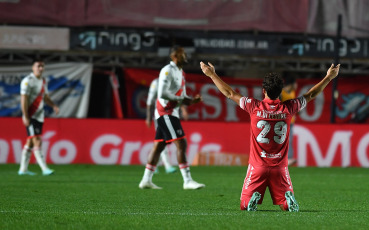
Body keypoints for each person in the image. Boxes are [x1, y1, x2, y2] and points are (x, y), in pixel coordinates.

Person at [200, 61, 340, 211]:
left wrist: (212, 74)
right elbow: (311, 94)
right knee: (285, 205)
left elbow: (230, 93)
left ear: (263, 90)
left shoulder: (254, 106)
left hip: (257, 167)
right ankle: (287, 201)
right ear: (280, 91)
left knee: (244, 205)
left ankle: (250, 203)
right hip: (280, 168)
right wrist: (328, 77)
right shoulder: (289, 108)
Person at [139, 46, 205, 190]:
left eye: (185, 54)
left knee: (158, 146)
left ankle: (146, 180)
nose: (185, 56)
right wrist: (181, 99)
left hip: (172, 112)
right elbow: (162, 93)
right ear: (174, 56)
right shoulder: (167, 70)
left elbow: (181, 96)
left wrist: (191, 100)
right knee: (181, 144)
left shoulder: (181, 73)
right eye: (182, 54)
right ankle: (187, 181)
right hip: (165, 112)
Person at [18, 59, 59, 176]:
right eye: (38, 66)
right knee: (37, 140)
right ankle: (44, 169)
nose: (40, 68)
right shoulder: (27, 81)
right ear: (33, 67)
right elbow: (23, 98)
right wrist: (25, 116)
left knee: (30, 141)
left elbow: (45, 97)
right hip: (31, 115)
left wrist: (53, 105)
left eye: (42, 66)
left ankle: (23, 170)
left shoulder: (43, 81)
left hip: (39, 115)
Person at [146, 77, 177, 174]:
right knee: (163, 139)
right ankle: (167, 166)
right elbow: (149, 101)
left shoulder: (175, 83)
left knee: (162, 141)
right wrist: (148, 117)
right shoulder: (156, 83)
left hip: (170, 114)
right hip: (159, 115)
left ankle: (152, 165)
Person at [280, 76, 298, 166]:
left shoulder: (293, 92)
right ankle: (283, 158)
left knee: (289, 140)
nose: (297, 85)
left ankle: (289, 158)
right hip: (283, 121)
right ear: (291, 84)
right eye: (295, 83)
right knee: (283, 141)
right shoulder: (282, 93)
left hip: (291, 121)